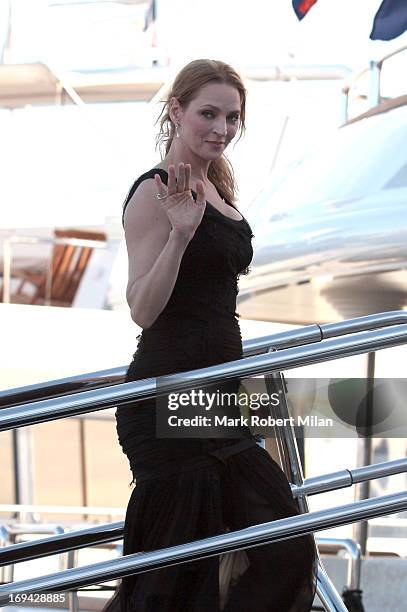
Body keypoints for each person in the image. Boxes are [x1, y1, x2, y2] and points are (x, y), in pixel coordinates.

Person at [107, 59, 317, 612]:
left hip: (220, 398)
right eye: (208, 113)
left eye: (231, 117)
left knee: (282, 548)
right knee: (175, 582)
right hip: (169, 394)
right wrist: (179, 236)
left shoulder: (218, 188)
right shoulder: (154, 192)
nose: (221, 128)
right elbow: (142, 310)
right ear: (176, 111)